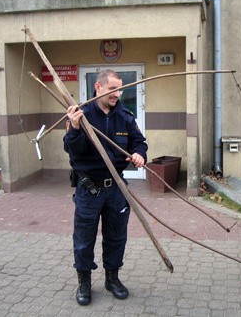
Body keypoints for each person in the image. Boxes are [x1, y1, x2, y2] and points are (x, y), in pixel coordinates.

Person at [64, 69, 148, 306]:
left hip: (116, 188)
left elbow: (139, 141)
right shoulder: (80, 114)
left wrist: (139, 154)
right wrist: (76, 128)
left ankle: (112, 279)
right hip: (88, 188)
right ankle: (84, 283)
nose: (117, 94)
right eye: (112, 89)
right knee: (84, 239)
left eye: (120, 89)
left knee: (116, 236)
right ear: (98, 88)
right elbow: (73, 151)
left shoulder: (124, 116)